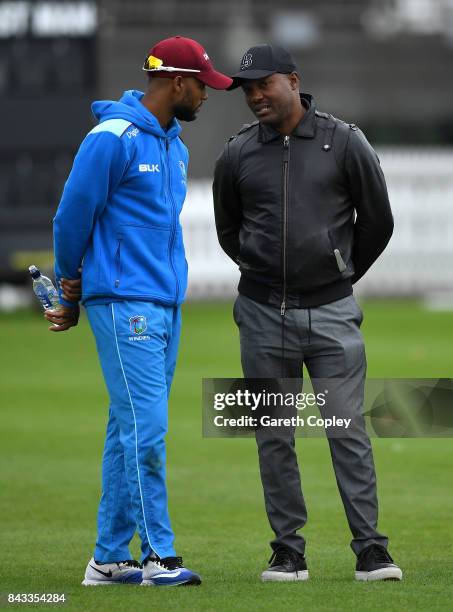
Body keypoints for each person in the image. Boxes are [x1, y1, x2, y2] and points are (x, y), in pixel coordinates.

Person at [45, 36, 232, 587]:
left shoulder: (175, 146)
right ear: (177, 82)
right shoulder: (112, 137)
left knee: (127, 428)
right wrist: (70, 290)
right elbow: (70, 218)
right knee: (146, 431)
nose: (206, 95)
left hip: (162, 306)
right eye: (202, 85)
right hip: (125, 303)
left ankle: (108, 558)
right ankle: (158, 556)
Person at [213, 44, 402, 583]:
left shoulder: (344, 142)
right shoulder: (237, 153)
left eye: (263, 84)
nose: (254, 96)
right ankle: (288, 552)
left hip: (332, 314)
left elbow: (378, 222)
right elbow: (230, 231)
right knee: (273, 435)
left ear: (293, 82)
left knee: (346, 432)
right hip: (259, 315)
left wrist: (338, 275)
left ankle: (371, 550)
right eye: (246, 88)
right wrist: (263, 275)